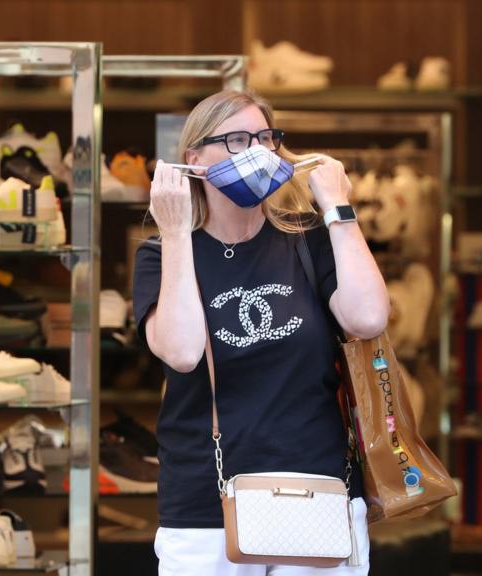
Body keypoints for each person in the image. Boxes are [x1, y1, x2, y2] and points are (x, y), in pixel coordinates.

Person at [133, 89, 390, 575]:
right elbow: (183, 352)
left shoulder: (308, 241)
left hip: (318, 493)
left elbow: (369, 318)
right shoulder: (160, 254)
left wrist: (337, 207)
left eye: (265, 138)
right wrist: (173, 230)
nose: (256, 151)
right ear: (194, 159)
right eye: (236, 140)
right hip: (206, 507)